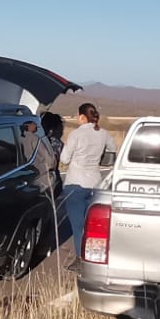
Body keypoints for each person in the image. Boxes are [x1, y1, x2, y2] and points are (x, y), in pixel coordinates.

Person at [58, 102, 116, 263]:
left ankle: (81, 259)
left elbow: (64, 158)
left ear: (82, 117)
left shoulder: (76, 134)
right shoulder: (103, 133)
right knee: (93, 227)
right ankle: (95, 258)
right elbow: (112, 152)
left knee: (78, 227)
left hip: (75, 184)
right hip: (95, 183)